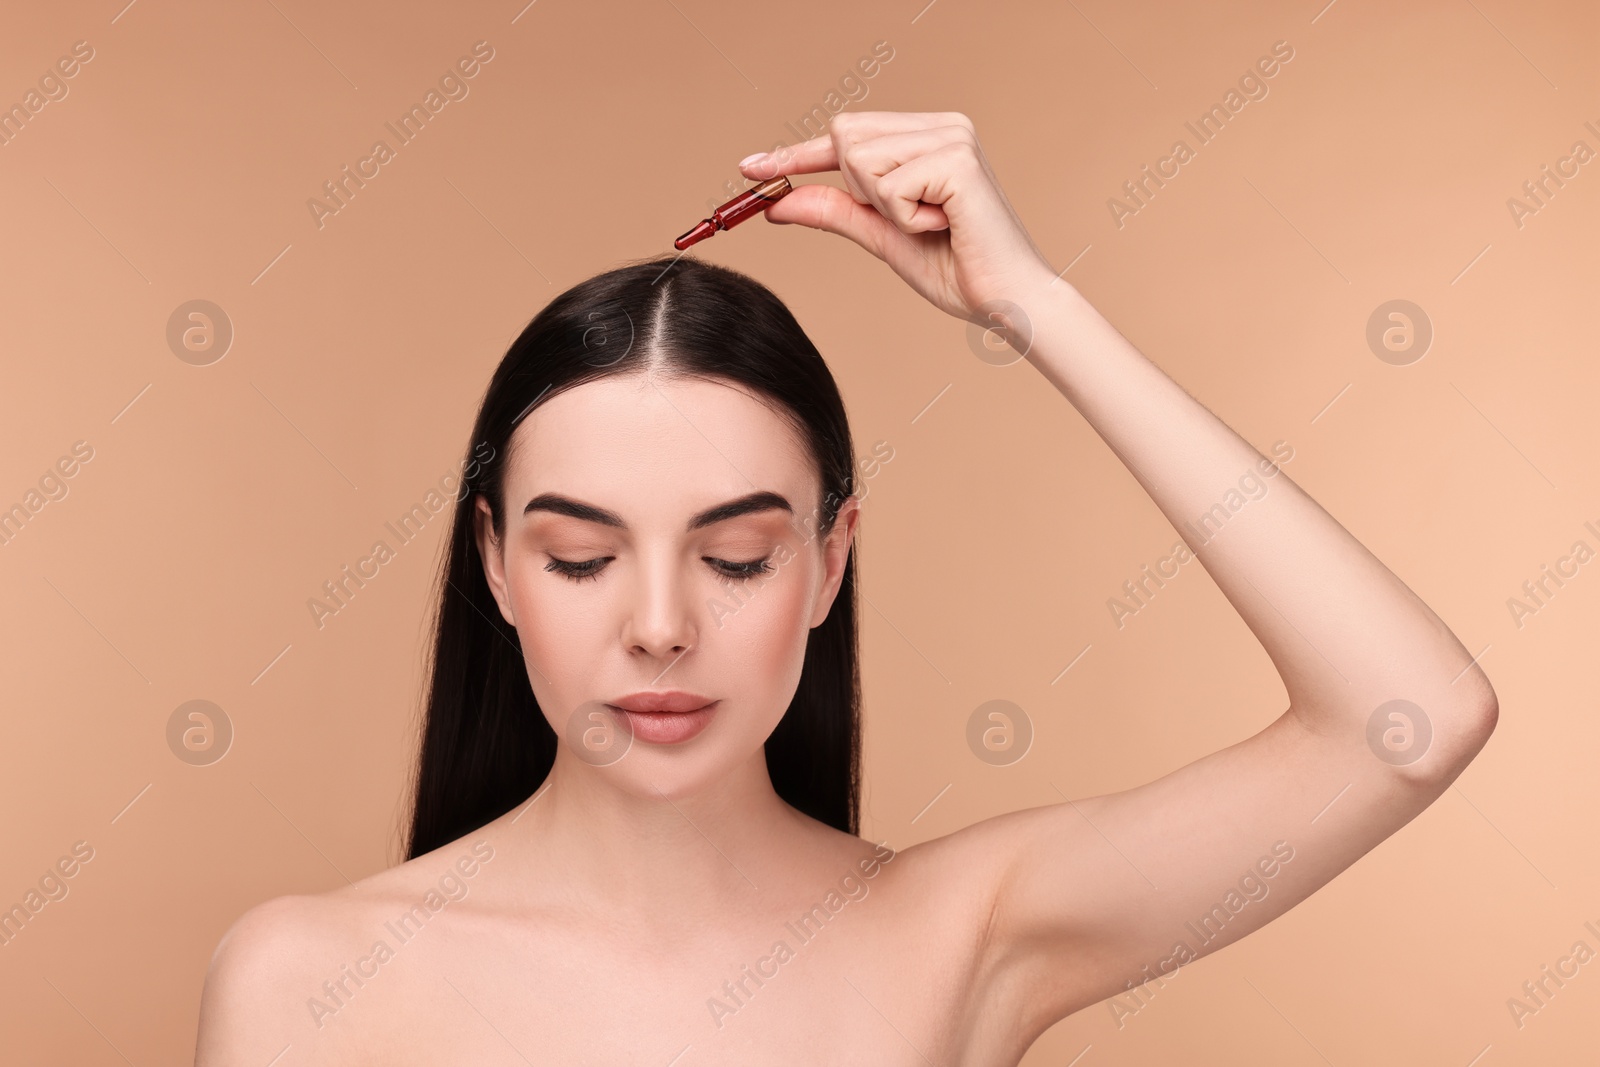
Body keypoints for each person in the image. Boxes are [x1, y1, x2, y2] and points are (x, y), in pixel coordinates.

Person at [194, 111, 1496, 1065]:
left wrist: (1030, 305)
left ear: (830, 560)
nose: (659, 627)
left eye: (738, 557)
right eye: (582, 557)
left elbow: (1412, 717)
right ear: (494, 563)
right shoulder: (304, 981)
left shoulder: (962, 934)